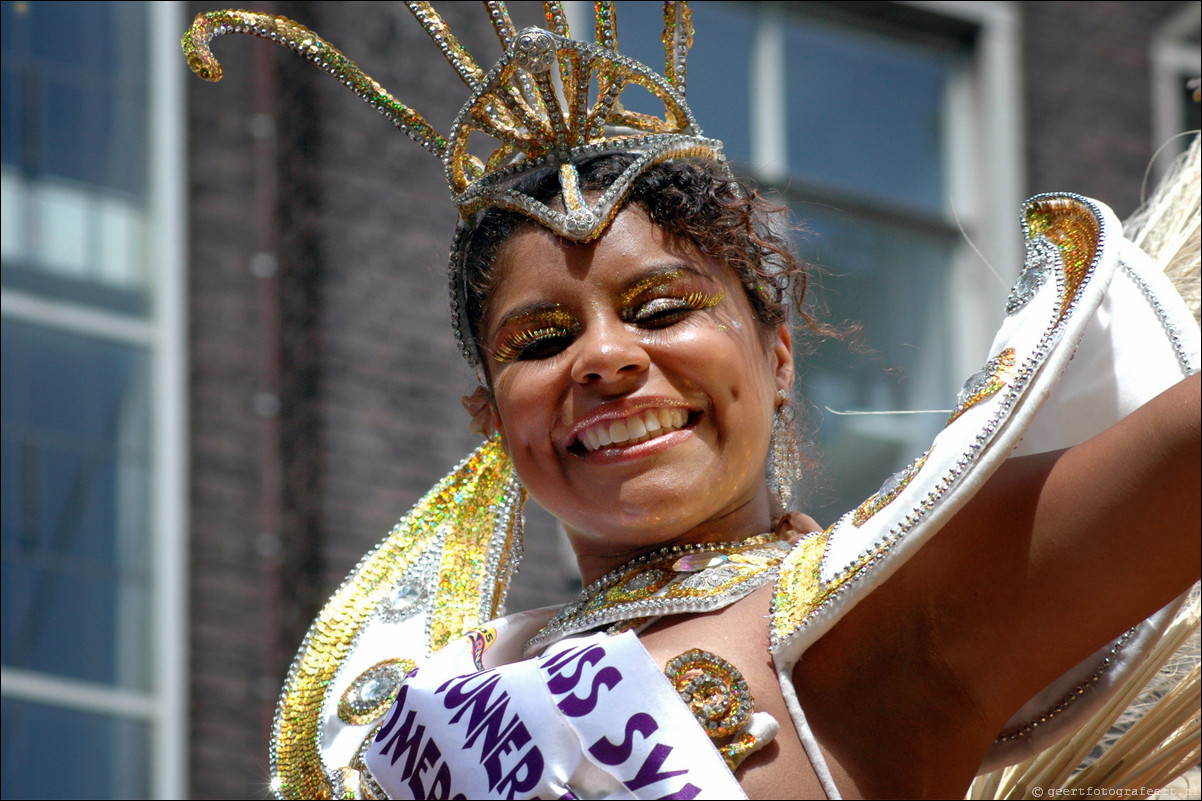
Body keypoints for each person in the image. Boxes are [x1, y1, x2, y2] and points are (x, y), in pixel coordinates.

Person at [183, 5, 1201, 799]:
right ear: (491, 422)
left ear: (777, 356)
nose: (604, 359)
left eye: (661, 310)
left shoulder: (874, 612)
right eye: (540, 340)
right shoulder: (420, 709)